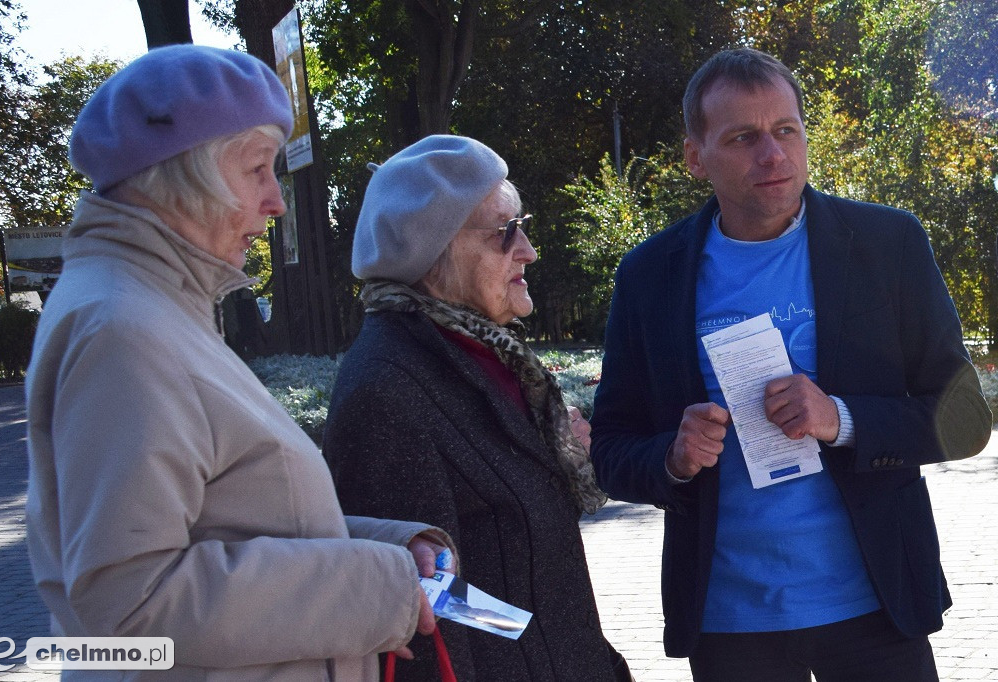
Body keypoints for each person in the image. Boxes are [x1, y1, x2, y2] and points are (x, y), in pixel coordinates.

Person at [25, 45, 457, 681]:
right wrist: (374, 584)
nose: (275, 200)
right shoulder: (124, 327)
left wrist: (389, 551)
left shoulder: (152, 307)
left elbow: (225, 518)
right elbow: (128, 607)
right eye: (257, 168)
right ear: (181, 174)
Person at [589, 48, 993, 682]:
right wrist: (673, 455)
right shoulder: (650, 275)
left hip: (875, 606)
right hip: (730, 622)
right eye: (744, 137)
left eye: (785, 131)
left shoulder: (887, 245)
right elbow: (611, 449)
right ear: (697, 157)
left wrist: (840, 418)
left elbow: (966, 418)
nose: (772, 154)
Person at [322, 134, 630, 681]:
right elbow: (427, 610)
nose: (529, 249)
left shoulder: (484, 353)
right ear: (436, 250)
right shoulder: (388, 387)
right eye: (505, 233)